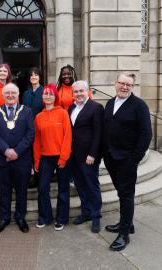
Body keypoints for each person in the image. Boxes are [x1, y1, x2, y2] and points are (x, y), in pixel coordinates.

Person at [103, 72, 152, 251]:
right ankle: (127, 223)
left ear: (132, 87)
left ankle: (124, 234)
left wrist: (135, 159)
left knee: (126, 195)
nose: (124, 87)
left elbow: (146, 134)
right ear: (115, 83)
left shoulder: (139, 106)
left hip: (127, 160)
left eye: (128, 85)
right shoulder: (110, 103)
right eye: (121, 83)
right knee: (121, 192)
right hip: (110, 158)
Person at [0, 83, 34, 234]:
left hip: (22, 159)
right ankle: (4, 218)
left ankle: (20, 217)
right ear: (2, 95)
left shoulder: (27, 111)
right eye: (7, 93)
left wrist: (16, 151)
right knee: (3, 190)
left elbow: (30, 134)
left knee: (22, 190)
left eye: (13, 92)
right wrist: (6, 150)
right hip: (2, 159)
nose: (10, 95)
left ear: (18, 94)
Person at [33, 84, 72, 231]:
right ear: (42, 97)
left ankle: (61, 219)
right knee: (42, 188)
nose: (48, 96)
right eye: (45, 94)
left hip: (61, 156)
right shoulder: (38, 117)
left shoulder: (62, 113)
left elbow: (68, 136)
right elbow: (36, 140)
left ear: (55, 96)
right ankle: (45, 217)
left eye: (51, 94)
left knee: (63, 189)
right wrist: (36, 160)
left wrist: (63, 158)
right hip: (45, 158)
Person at [68, 80, 104, 233]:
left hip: (88, 156)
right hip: (74, 155)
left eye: (81, 91)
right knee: (80, 185)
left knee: (92, 186)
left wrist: (93, 154)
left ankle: (96, 217)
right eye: (75, 92)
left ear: (87, 91)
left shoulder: (96, 108)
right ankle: (86, 212)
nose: (78, 94)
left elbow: (99, 133)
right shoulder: (71, 107)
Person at [22, 67, 44, 188]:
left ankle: (39, 176)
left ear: (40, 77)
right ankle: (31, 176)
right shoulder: (26, 93)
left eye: (36, 75)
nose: (33, 77)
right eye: (31, 75)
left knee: (39, 152)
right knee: (30, 152)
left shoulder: (44, 91)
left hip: (41, 127)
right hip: (28, 127)